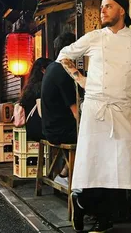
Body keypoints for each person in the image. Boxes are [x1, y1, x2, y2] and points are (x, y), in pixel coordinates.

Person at [57, 0, 131, 232]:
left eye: (108, 6)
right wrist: (81, 78)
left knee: (118, 163)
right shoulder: (95, 37)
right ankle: (94, 211)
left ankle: (89, 206)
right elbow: (64, 56)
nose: (102, 11)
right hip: (96, 107)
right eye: (101, 7)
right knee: (95, 162)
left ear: (122, 11)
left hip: (123, 110)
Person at [41, 32, 78, 185]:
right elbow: (76, 112)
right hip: (59, 131)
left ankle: (64, 174)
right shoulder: (63, 72)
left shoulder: (51, 68)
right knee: (92, 136)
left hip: (49, 128)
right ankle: (74, 180)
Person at [18, 57, 53, 141]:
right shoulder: (42, 86)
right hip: (40, 129)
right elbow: (43, 113)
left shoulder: (29, 87)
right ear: (43, 70)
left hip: (31, 129)